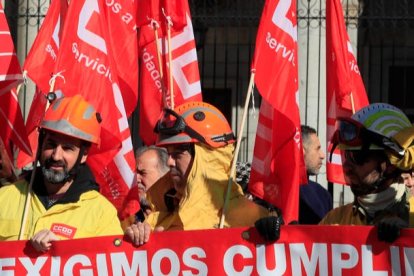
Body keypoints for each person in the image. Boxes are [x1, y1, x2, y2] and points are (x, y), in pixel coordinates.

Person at [125, 102, 282, 245]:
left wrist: (279, 242)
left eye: (178, 154)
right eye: (168, 153)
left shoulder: (254, 219)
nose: (169, 162)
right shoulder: (156, 221)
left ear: (206, 158)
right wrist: (134, 240)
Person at [0, 94, 123, 251]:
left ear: (84, 155)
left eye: (67, 148)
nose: (56, 155)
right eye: (51, 144)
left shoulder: (102, 215)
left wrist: (65, 254)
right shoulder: (4, 198)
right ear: (41, 143)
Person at [320, 103, 414, 242]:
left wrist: (408, 237)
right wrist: (282, 238)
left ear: (390, 165)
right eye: (346, 155)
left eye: (358, 157)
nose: (346, 165)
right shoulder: (335, 220)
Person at [121, 146, 171, 228]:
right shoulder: (126, 217)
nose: (136, 178)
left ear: (164, 175)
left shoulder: (179, 215)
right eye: (135, 173)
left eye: (142, 173)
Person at [299, 125, 332, 224]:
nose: (322, 155)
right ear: (301, 151)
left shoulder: (323, 195)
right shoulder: (274, 192)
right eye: (317, 149)